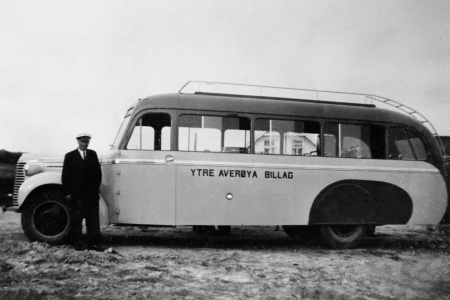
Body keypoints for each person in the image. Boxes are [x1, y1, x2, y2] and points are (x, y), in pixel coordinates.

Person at [62, 133, 103, 251]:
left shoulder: (92, 154)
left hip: (91, 194)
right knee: (77, 219)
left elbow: (98, 174)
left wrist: (95, 188)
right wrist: (67, 193)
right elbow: (66, 176)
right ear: (78, 142)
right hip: (76, 195)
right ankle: (77, 243)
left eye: (87, 142)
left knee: (93, 220)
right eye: (82, 142)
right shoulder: (70, 156)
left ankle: (93, 244)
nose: (85, 144)